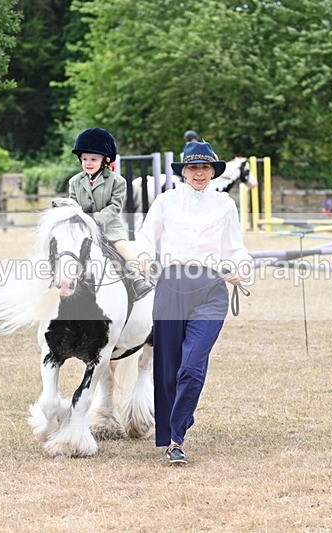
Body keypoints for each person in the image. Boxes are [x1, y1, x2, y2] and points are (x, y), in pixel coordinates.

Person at [134, 141, 253, 465]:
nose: (199, 173)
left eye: (205, 168)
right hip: (171, 287)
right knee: (169, 366)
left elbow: (235, 247)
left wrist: (242, 266)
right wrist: (144, 254)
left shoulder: (225, 205)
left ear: (213, 172)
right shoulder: (166, 201)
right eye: (193, 168)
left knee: (192, 365)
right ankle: (174, 428)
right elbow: (145, 236)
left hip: (211, 290)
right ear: (184, 172)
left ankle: (177, 439)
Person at [67, 127, 152, 300]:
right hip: (82, 228)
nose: (88, 163)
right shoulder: (75, 181)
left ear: (105, 160)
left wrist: (96, 219)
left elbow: (115, 206)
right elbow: (72, 204)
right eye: (84, 159)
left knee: (124, 248)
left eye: (93, 159)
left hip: (110, 227)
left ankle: (137, 279)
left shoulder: (117, 181)